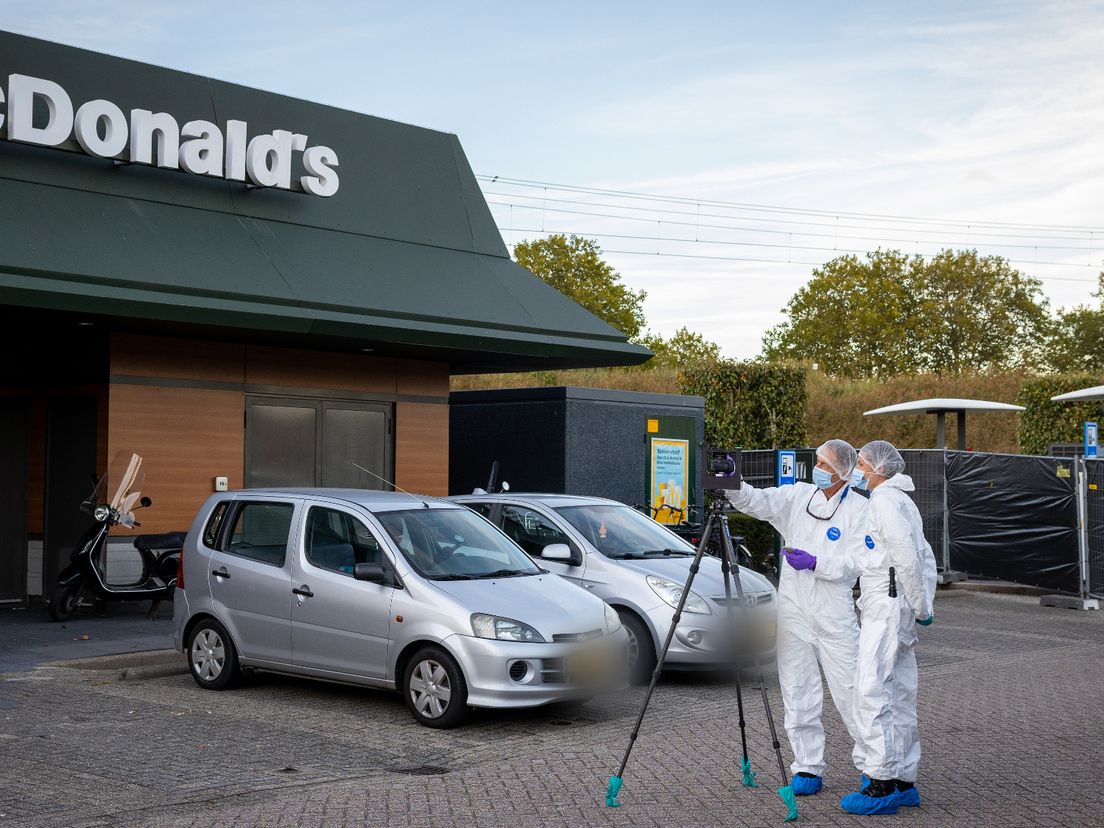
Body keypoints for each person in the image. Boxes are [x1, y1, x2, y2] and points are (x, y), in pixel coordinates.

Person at [725, 439, 867, 796]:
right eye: (818, 460)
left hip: (833, 611)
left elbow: (857, 564)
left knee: (851, 690)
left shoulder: (859, 510)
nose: (816, 466)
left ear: (841, 472)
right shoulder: (799, 496)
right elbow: (758, 501)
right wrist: (731, 482)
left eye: (823, 462)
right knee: (797, 687)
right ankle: (807, 767)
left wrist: (818, 563)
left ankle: (873, 766)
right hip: (794, 607)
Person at [840, 440, 937, 816]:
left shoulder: (883, 502)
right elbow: (923, 555)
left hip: (887, 605)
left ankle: (880, 784)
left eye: (861, 462)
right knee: (899, 693)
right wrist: (921, 605)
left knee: (872, 690)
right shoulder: (900, 501)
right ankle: (904, 780)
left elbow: (909, 559)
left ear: (878, 468)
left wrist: (920, 603)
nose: (857, 469)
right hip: (895, 605)